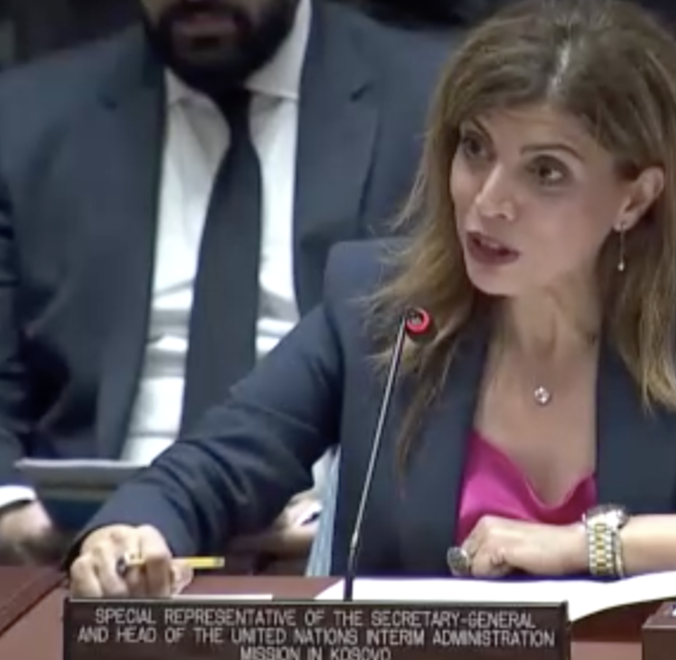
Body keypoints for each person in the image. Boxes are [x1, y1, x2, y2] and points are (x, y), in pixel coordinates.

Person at [68, 0, 676, 597]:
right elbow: (209, 470)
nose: (488, 202)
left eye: (546, 172)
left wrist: (587, 547)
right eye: (474, 149)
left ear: (634, 198)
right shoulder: (382, 306)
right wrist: (130, 534)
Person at [0, 0, 449, 564]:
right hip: (84, 555)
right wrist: (14, 518)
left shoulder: (436, 105)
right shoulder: (24, 122)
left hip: (333, 559)